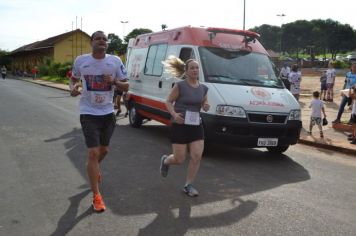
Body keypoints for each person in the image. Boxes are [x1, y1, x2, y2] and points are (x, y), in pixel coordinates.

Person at [69, 30, 129, 212]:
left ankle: (94, 170)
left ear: (106, 44)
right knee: (93, 153)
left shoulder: (115, 61)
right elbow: (73, 80)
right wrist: (73, 89)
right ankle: (96, 196)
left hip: (108, 112)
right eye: (98, 38)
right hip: (88, 112)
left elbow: (126, 85)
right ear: (91, 42)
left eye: (104, 39)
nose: (102, 41)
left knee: (104, 151)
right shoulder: (81, 61)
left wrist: (114, 82)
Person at [160, 56, 210, 197]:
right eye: (192, 68)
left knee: (196, 156)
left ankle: (188, 185)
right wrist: (175, 115)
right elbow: (168, 102)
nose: (195, 70)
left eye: (197, 67)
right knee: (179, 159)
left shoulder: (204, 88)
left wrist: (206, 106)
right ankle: (165, 160)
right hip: (180, 124)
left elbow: (205, 104)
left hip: (196, 125)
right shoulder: (180, 86)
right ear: (186, 71)